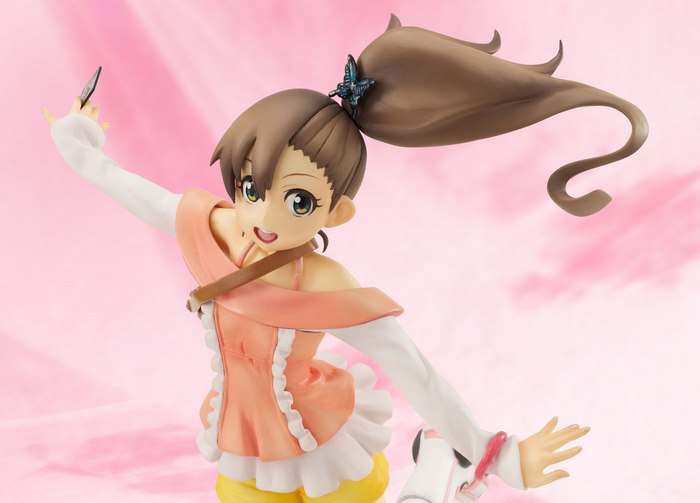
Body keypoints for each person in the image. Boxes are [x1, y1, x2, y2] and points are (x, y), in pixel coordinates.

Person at [44, 14, 648, 503]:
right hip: (240, 441)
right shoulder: (214, 229)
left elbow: (416, 370)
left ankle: (441, 462)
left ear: (336, 214)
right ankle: (441, 456)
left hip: (322, 447)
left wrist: (496, 451)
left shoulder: (324, 284)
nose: (265, 215)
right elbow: (136, 192)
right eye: (252, 186)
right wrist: (80, 145)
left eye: (298, 201)